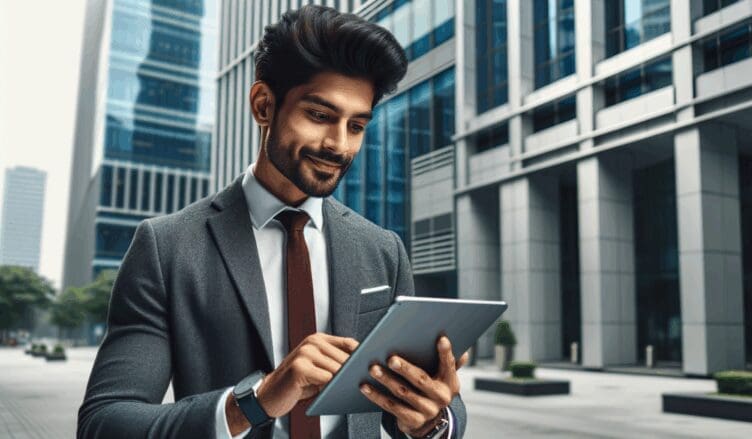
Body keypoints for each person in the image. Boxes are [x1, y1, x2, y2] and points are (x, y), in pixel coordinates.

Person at [77, 5, 468, 439]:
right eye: (319, 116)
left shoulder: (383, 249)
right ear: (264, 105)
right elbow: (105, 423)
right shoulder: (166, 247)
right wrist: (254, 402)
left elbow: (419, 399)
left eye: (356, 125)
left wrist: (432, 419)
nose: (339, 145)